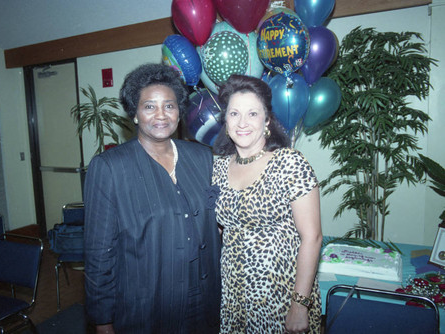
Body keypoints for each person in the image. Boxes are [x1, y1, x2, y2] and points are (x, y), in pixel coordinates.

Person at [84, 63, 221, 334]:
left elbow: (215, 216)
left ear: (179, 111)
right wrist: (102, 320)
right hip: (147, 306)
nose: (161, 115)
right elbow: (99, 252)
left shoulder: (202, 158)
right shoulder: (110, 167)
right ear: (134, 114)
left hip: (205, 298)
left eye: (169, 106)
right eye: (149, 106)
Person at [211, 74, 323, 333]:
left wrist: (299, 305)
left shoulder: (289, 163)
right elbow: (216, 230)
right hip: (233, 297)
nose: (242, 123)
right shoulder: (216, 168)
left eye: (252, 114)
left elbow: (313, 237)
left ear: (267, 120)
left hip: (281, 298)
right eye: (234, 114)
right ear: (225, 121)